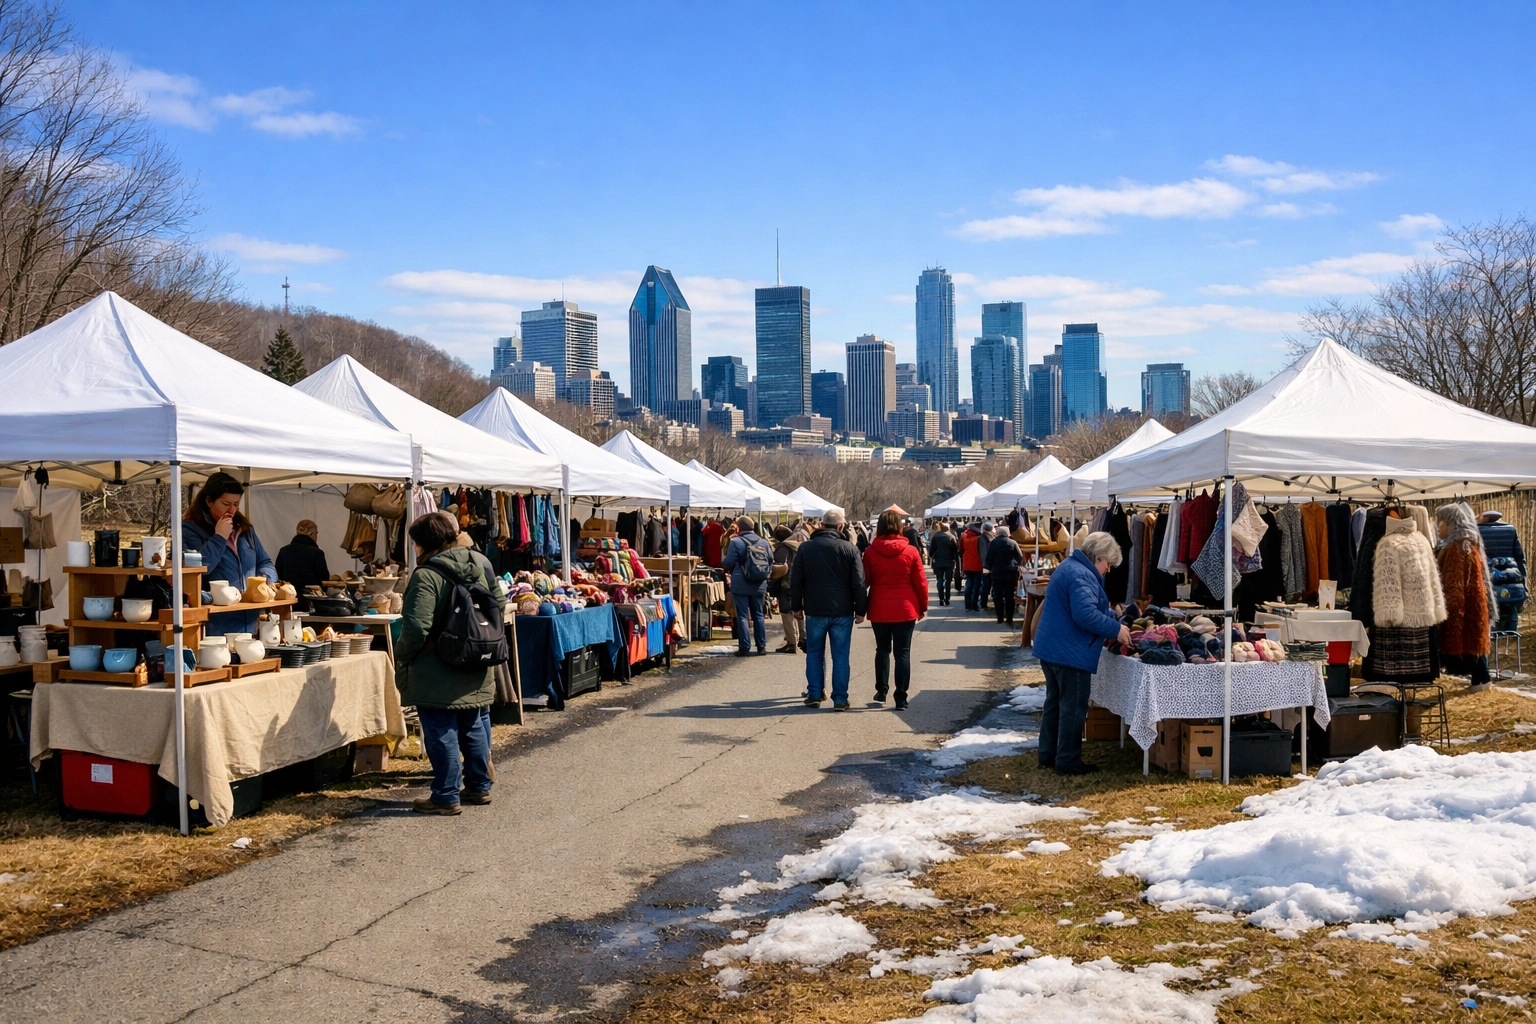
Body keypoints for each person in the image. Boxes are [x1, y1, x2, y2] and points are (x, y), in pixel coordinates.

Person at [397, 511, 496, 814]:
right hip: (477, 655)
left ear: (423, 544)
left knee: (441, 728)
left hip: (437, 662)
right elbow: (499, 604)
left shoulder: (426, 575)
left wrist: (402, 655)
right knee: (473, 722)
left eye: (414, 543)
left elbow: (416, 626)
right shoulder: (481, 562)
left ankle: (445, 795)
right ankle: (479, 787)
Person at [1033, 532, 1132, 775]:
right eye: (1107, 565)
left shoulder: (1071, 567)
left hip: (1053, 648)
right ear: (1099, 557)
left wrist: (1112, 618)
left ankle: (1048, 753)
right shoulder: (1082, 575)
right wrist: (1116, 628)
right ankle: (1067, 760)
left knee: (1055, 703)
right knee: (1073, 708)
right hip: (1070, 652)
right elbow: (1084, 615)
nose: (1107, 570)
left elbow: (1084, 608)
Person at [788, 508, 867, 709]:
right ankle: (840, 698)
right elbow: (858, 582)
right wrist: (861, 609)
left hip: (815, 609)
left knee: (814, 652)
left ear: (821, 525)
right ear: (841, 526)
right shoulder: (850, 549)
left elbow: (796, 580)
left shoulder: (806, 548)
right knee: (840, 655)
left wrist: (796, 606)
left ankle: (815, 693)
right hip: (842, 610)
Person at [181, 471, 276, 635]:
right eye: (226, 503)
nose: (232, 510)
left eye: (236, 504)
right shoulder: (189, 529)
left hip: (253, 619)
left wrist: (266, 580)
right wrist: (219, 537)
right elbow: (201, 568)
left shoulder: (245, 529)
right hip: (216, 624)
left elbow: (265, 561)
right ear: (209, 501)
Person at [863, 510, 928, 709]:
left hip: (880, 607)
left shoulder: (871, 552)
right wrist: (923, 606)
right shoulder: (910, 551)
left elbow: (865, 581)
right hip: (905, 608)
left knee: (882, 649)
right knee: (903, 653)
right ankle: (901, 695)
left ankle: (881, 689)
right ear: (900, 527)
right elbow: (920, 583)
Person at [1437, 502, 1494, 689]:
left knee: (1467, 645)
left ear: (1453, 523)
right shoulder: (1469, 542)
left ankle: (1481, 679)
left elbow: (1454, 585)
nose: (1439, 527)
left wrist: (1448, 613)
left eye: (1442, 522)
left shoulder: (1458, 548)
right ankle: (1481, 680)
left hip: (1462, 608)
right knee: (1473, 644)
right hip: (1473, 605)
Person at [722, 515, 772, 656]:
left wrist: (722, 565)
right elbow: (770, 560)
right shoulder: (764, 542)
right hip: (759, 583)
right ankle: (761, 646)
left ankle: (745, 647)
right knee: (759, 615)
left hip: (740, 583)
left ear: (739, 527)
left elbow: (728, 561)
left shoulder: (736, 542)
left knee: (742, 616)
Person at [1478, 510, 1527, 633]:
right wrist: (1522, 582)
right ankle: (1511, 632)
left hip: (1487, 581)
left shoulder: (1476, 531)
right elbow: (1520, 558)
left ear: (1484, 517)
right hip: (1509, 580)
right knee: (1511, 607)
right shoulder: (1510, 529)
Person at [275, 519, 330, 608]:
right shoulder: (317, 553)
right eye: (316, 533)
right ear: (312, 534)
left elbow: (278, 576)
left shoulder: (283, 551)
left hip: (288, 601)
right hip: (310, 602)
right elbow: (323, 580)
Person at [770, 523, 807, 653]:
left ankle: (791, 643)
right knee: (799, 610)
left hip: (787, 583)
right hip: (801, 582)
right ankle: (803, 637)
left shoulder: (783, 548)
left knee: (786, 613)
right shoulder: (800, 545)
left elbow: (780, 566)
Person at [985, 526, 1025, 625]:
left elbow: (989, 557)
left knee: (997, 595)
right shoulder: (1013, 542)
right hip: (1010, 572)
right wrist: (1016, 564)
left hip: (997, 572)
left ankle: (1000, 617)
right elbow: (1020, 557)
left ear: (998, 533)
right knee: (1009, 595)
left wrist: (988, 569)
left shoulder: (993, 543)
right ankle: (1010, 618)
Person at [928, 521, 959, 606]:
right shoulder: (951, 536)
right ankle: (947, 598)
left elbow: (932, 550)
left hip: (938, 560)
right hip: (948, 561)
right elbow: (955, 550)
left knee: (939, 580)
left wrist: (932, 556)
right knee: (948, 581)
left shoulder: (936, 536)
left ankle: (941, 598)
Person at [960, 520, 986, 611]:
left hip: (967, 563)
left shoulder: (964, 535)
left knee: (968, 584)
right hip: (977, 564)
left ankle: (967, 605)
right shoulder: (979, 538)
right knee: (977, 586)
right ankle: (974, 605)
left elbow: (961, 549)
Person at [976, 521, 996, 612]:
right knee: (987, 586)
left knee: (986, 586)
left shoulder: (983, 538)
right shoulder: (986, 538)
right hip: (988, 565)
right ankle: (983, 603)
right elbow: (984, 553)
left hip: (986, 565)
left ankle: (983, 603)